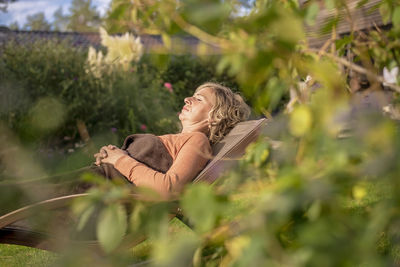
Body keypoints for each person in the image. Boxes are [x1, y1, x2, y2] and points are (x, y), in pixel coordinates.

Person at [93, 82, 250, 198]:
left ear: (215, 116)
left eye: (199, 99)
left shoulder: (198, 140)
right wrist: (111, 156)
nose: (187, 99)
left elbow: (166, 189)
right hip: (94, 185)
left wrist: (119, 159)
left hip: (95, 193)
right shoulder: (181, 140)